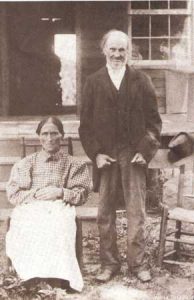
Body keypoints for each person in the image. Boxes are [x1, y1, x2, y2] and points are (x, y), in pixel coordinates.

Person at [79, 29, 162, 283]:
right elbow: (86, 127)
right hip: (106, 156)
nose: (117, 54)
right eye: (112, 49)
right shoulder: (93, 82)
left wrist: (145, 151)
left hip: (133, 154)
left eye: (122, 49)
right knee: (105, 212)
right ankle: (109, 264)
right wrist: (96, 154)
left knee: (137, 212)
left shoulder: (142, 80)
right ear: (104, 50)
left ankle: (137, 265)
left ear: (129, 51)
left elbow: (154, 123)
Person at [6, 116, 91, 292]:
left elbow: (82, 194)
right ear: (39, 136)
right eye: (45, 134)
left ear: (62, 135)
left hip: (59, 206)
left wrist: (60, 192)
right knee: (26, 223)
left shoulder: (75, 164)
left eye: (54, 133)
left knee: (57, 224)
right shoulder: (26, 163)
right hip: (32, 205)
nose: (50, 138)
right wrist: (36, 194)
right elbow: (14, 194)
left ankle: (58, 278)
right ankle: (30, 276)